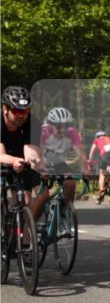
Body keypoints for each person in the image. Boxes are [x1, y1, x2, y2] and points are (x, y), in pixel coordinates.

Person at [0, 85, 49, 221]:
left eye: (25, 111)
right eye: (16, 111)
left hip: (19, 159)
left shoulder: (32, 122)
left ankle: (26, 239)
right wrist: (14, 161)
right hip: (4, 157)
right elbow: (1, 154)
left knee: (38, 196)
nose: (21, 115)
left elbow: (30, 150)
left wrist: (36, 163)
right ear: (5, 109)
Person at [39, 107, 88, 212]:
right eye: (59, 126)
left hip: (58, 163)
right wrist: (42, 169)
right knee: (41, 194)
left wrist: (84, 169)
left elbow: (79, 153)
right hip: (42, 162)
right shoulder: (43, 132)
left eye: (66, 126)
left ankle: (65, 210)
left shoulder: (72, 132)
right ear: (50, 125)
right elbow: (38, 153)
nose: (63, 129)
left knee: (70, 183)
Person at [88, 129, 110, 203]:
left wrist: (90, 161)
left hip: (105, 154)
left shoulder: (96, 140)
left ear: (97, 136)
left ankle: (101, 191)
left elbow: (92, 152)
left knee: (102, 173)